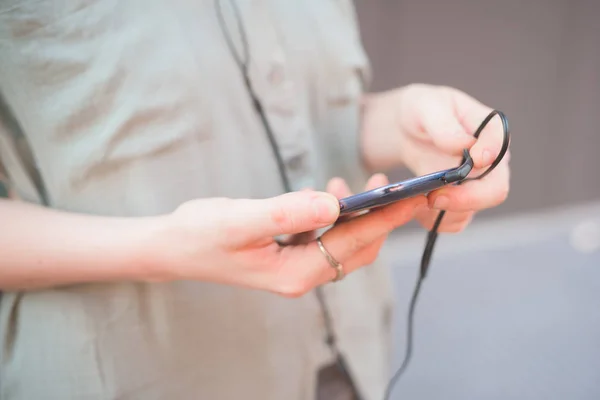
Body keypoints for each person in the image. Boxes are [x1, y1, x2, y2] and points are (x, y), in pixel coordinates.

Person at [0, 1, 510, 399]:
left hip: (352, 353)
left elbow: (308, 116)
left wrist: (396, 122)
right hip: (141, 373)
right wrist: (162, 250)